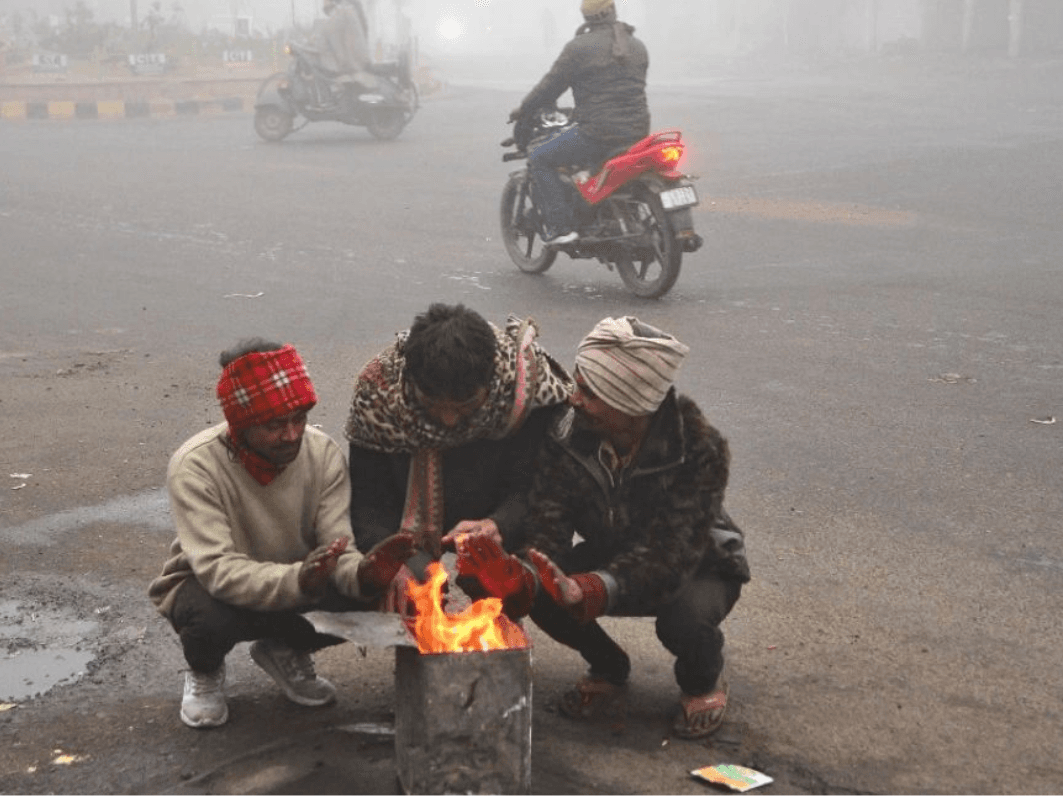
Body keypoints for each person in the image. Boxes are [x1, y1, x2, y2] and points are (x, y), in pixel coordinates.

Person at [456, 317, 750, 739]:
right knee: (547, 592)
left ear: (631, 404)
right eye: (577, 383)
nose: (573, 399)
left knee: (682, 620)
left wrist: (592, 588)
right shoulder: (566, 435)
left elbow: (669, 555)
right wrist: (519, 579)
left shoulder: (699, 446)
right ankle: (610, 668)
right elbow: (547, 526)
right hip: (616, 549)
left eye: (589, 392)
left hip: (698, 561)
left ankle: (702, 681)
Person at [148, 338, 414, 729]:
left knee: (381, 599)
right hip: (213, 587)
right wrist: (300, 579)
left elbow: (337, 547)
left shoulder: (322, 455)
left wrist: (367, 574)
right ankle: (204, 672)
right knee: (208, 621)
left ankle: (283, 649)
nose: (292, 435)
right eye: (275, 425)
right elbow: (218, 569)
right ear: (241, 424)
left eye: (299, 419)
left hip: (303, 576)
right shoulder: (195, 465)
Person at [345, 303, 573, 610]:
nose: (449, 421)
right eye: (434, 405)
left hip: (498, 512)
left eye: (466, 405)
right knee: (412, 589)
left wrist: (500, 524)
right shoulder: (378, 396)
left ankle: (597, 652)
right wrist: (392, 562)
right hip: (406, 525)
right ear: (412, 383)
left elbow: (540, 487)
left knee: (523, 577)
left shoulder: (524, 391)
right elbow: (369, 505)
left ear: (490, 383)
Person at [512, 0, 650, 246]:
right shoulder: (637, 45)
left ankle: (561, 227)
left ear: (586, 16)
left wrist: (524, 109)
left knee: (539, 156)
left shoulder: (578, 48)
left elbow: (549, 87)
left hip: (597, 134)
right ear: (612, 10)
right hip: (638, 133)